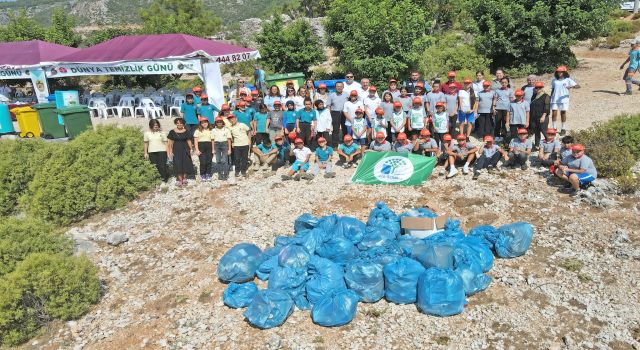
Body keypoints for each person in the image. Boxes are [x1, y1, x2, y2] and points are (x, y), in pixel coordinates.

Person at [550, 65, 579, 135]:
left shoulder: (568, 80)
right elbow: (553, 89)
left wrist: (571, 86)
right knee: (554, 113)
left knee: (563, 113)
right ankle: (554, 128)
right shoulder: (554, 80)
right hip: (555, 99)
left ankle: (563, 128)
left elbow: (578, 86)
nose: (559, 73)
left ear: (564, 72)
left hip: (564, 100)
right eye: (558, 72)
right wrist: (550, 97)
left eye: (561, 72)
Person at [167, 118, 194, 186]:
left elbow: (189, 141)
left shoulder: (186, 131)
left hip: (185, 149)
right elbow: (170, 142)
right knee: (177, 163)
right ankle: (179, 179)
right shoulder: (172, 132)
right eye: (178, 123)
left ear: (183, 124)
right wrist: (170, 151)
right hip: (176, 149)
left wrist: (191, 149)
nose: (179, 124)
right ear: (176, 123)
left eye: (181, 123)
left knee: (186, 163)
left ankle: (184, 178)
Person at [228, 114, 252, 178]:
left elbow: (249, 131)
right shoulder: (230, 128)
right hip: (236, 145)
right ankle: (237, 171)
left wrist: (249, 140)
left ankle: (243, 171)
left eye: (232, 118)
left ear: (236, 118)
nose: (231, 120)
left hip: (245, 144)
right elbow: (231, 136)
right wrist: (232, 142)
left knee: (244, 158)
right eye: (230, 119)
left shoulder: (242, 124)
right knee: (237, 158)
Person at [529, 81, 551, 149]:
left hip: (542, 117)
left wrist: (543, 116)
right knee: (536, 132)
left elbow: (547, 107)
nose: (538, 89)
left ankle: (550, 145)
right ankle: (537, 145)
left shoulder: (546, 96)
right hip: (534, 117)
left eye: (539, 87)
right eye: (536, 88)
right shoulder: (534, 96)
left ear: (542, 88)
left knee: (544, 131)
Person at [328, 81, 348, 147]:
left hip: (344, 113)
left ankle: (345, 142)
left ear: (343, 87)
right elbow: (328, 106)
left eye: (340, 86)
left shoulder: (346, 94)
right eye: (337, 86)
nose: (339, 88)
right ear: (335, 87)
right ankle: (335, 144)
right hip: (335, 113)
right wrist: (329, 115)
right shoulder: (331, 95)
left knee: (345, 128)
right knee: (335, 129)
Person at [212, 116, 232, 180]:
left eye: (220, 122)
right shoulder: (213, 130)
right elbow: (212, 140)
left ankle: (225, 174)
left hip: (224, 144)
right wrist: (213, 149)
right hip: (216, 144)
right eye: (218, 122)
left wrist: (229, 149)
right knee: (218, 160)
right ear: (216, 123)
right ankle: (220, 174)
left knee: (224, 160)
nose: (219, 123)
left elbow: (229, 140)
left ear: (222, 122)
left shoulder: (226, 130)